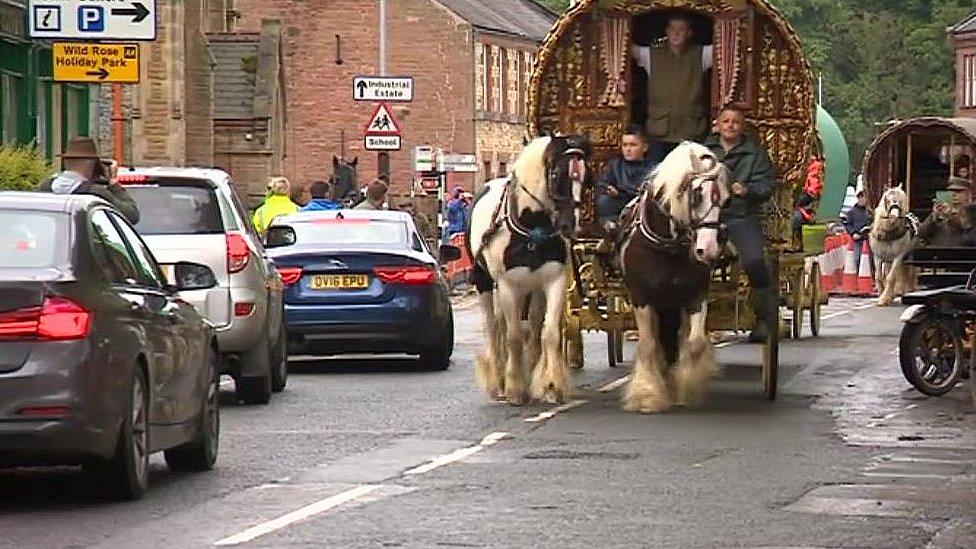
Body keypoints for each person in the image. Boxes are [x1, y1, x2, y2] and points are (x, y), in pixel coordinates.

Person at [703, 107, 777, 342]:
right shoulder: (704, 151)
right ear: (718, 124)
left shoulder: (754, 154)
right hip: (707, 217)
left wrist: (747, 190)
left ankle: (764, 317)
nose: (730, 125)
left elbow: (767, 185)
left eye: (735, 122)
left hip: (740, 215)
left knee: (755, 261)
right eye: (726, 121)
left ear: (742, 126)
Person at [631, 14, 713, 161]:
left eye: (681, 30)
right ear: (666, 32)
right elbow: (622, 48)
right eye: (672, 29)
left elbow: (727, 46)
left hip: (691, 129)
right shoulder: (650, 54)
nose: (676, 33)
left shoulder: (702, 54)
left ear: (689, 33)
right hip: (659, 130)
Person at [37, 136, 140, 223]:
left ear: (66, 162)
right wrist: (113, 183)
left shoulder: (45, 188)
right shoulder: (96, 193)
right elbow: (132, 216)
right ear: (92, 165)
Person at [596, 126, 658, 230]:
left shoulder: (654, 168)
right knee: (604, 202)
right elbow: (602, 183)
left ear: (645, 147)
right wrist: (609, 189)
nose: (628, 149)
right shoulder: (615, 165)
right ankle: (613, 227)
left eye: (633, 145)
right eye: (625, 145)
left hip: (642, 205)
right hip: (620, 201)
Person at [917, 176, 976, 246]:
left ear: (967, 194)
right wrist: (934, 216)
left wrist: (951, 215)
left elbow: (966, 228)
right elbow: (921, 234)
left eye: (958, 192)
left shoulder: (971, 211)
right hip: (940, 254)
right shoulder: (940, 214)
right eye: (951, 191)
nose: (953, 195)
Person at [792, 154, 824, 239]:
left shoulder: (814, 167)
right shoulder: (812, 168)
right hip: (807, 196)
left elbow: (814, 186)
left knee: (796, 216)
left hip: (808, 196)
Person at [843, 190, 873, 271]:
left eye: (863, 197)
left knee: (871, 260)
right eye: (859, 198)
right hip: (858, 240)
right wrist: (853, 233)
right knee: (857, 259)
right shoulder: (852, 212)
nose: (861, 199)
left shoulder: (870, 212)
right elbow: (847, 224)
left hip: (869, 239)